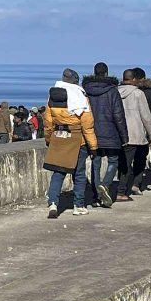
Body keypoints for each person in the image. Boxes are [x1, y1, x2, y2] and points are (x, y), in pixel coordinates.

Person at [42, 86, 98, 217]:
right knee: (79, 174)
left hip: (59, 136)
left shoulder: (52, 99)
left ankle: (53, 203)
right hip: (78, 139)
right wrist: (93, 146)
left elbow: (48, 122)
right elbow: (87, 125)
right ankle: (78, 205)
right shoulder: (81, 98)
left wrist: (49, 140)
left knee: (58, 172)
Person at [83, 63, 127, 207]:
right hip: (111, 132)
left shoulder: (86, 91)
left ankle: (97, 197)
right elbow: (118, 115)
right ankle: (106, 185)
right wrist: (124, 137)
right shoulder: (112, 91)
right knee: (113, 161)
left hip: (92, 133)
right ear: (107, 73)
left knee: (96, 163)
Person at [117, 69, 151, 200]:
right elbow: (146, 116)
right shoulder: (138, 94)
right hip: (137, 133)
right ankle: (135, 184)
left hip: (121, 134)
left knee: (124, 164)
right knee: (140, 161)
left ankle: (121, 189)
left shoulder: (115, 92)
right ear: (133, 79)